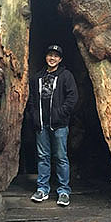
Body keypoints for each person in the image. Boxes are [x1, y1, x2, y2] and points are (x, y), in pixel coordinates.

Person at [27, 45, 78, 206]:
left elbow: (72, 97)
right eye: (50, 55)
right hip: (41, 124)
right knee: (43, 157)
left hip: (59, 125)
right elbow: (32, 100)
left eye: (56, 56)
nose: (52, 58)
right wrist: (34, 116)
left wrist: (60, 113)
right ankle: (42, 189)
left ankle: (63, 191)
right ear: (46, 57)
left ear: (60, 59)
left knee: (61, 158)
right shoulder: (37, 77)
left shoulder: (65, 75)